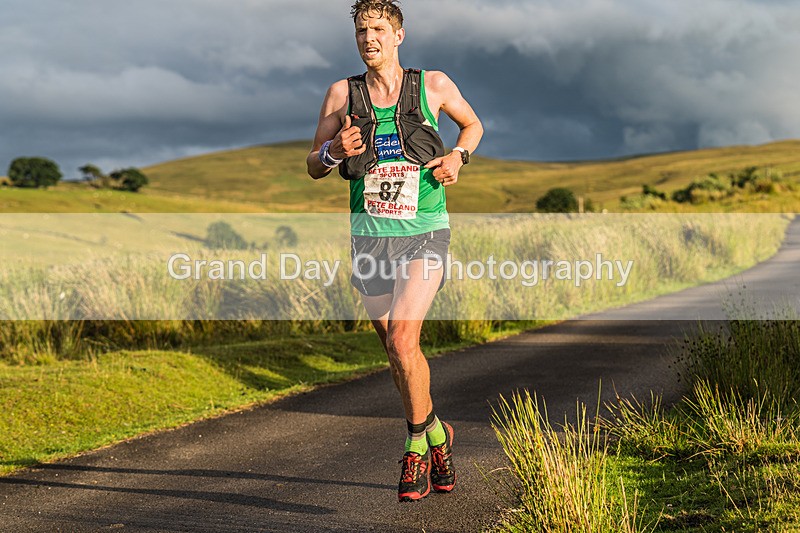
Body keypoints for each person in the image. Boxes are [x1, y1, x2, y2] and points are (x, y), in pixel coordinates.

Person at [306, 0, 482, 502]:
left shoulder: (433, 85)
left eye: (379, 29)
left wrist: (458, 157)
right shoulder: (343, 94)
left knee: (404, 340)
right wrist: (334, 151)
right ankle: (438, 432)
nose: (370, 39)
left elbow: (472, 126)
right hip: (369, 235)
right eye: (362, 31)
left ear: (399, 35)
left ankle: (414, 447)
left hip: (425, 230)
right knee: (393, 346)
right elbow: (313, 164)